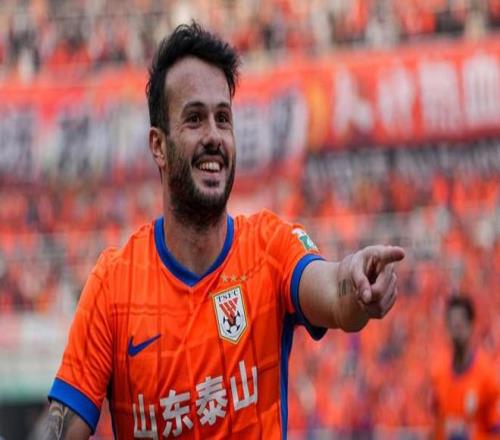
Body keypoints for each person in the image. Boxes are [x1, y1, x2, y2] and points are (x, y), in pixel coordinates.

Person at [43, 22, 405, 439]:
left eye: (223, 119)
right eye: (195, 119)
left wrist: (356, 282)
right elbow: (63, 426)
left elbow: (333, 292)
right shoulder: (113, 286)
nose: (214, 136)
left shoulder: (268, 248)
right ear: (158, 145)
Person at [431, 295, 500, 440]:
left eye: (460, 323)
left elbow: (495, 428)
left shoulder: (487, 375)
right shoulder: (438, 372)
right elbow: (437, 423)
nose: (456, 330)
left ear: (471, 325)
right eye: (452, 323)